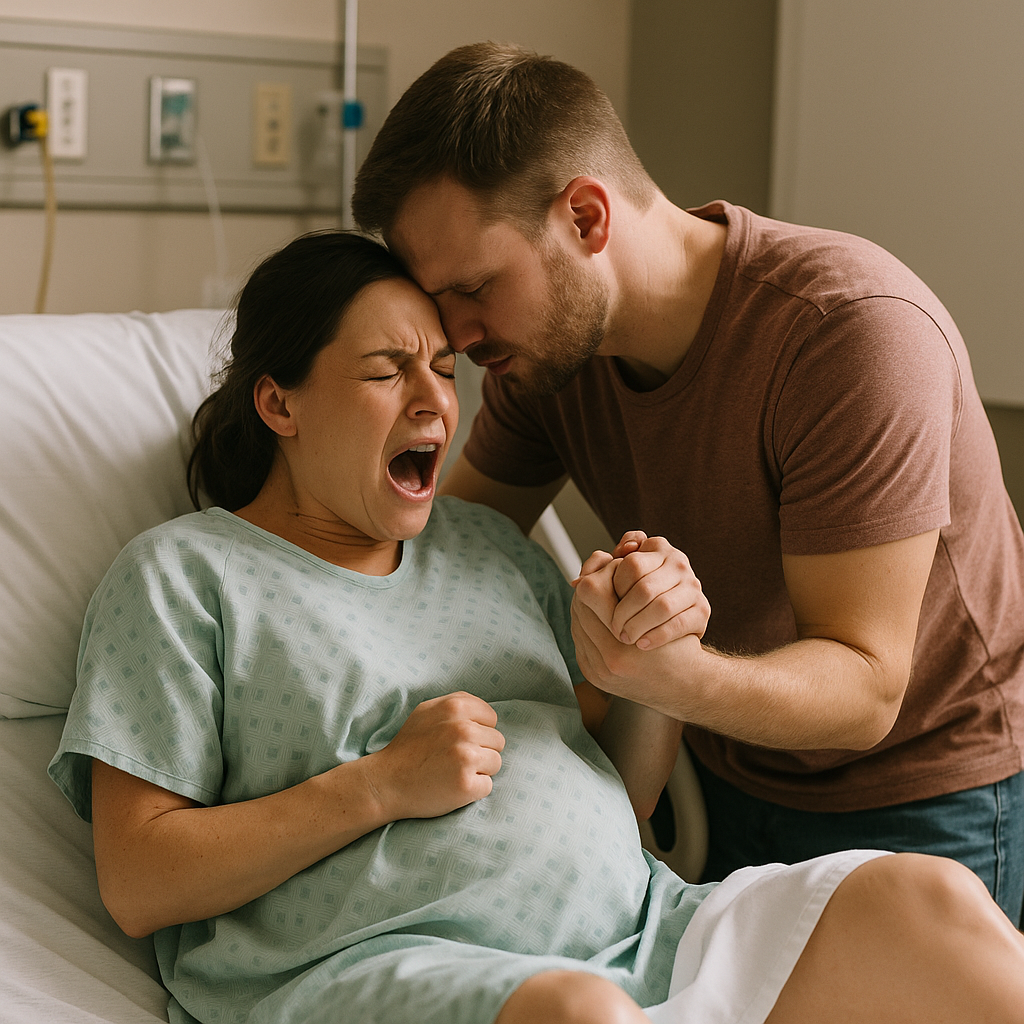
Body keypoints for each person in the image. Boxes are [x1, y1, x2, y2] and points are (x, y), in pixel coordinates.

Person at [46, 231, 1024, 1024]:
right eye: (389, 370)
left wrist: (654, 667)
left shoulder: (486, 547)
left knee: (922, 901)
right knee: (576, 1014)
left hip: (647, 934)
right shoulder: (183, 577)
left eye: (440, 366)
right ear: (278, 402)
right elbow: (141, 878)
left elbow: (623, 791)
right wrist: (379, 784)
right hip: (366, 970)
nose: (437, 398)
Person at [350, 42, 1024, 925]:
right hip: (729, 771)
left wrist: (660, 675)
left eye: (476, 287)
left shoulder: (848, 334)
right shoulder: (546, 361)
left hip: (923, 790)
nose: (461, 337)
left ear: (585, 218)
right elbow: (447, 547)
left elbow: (866, 689)